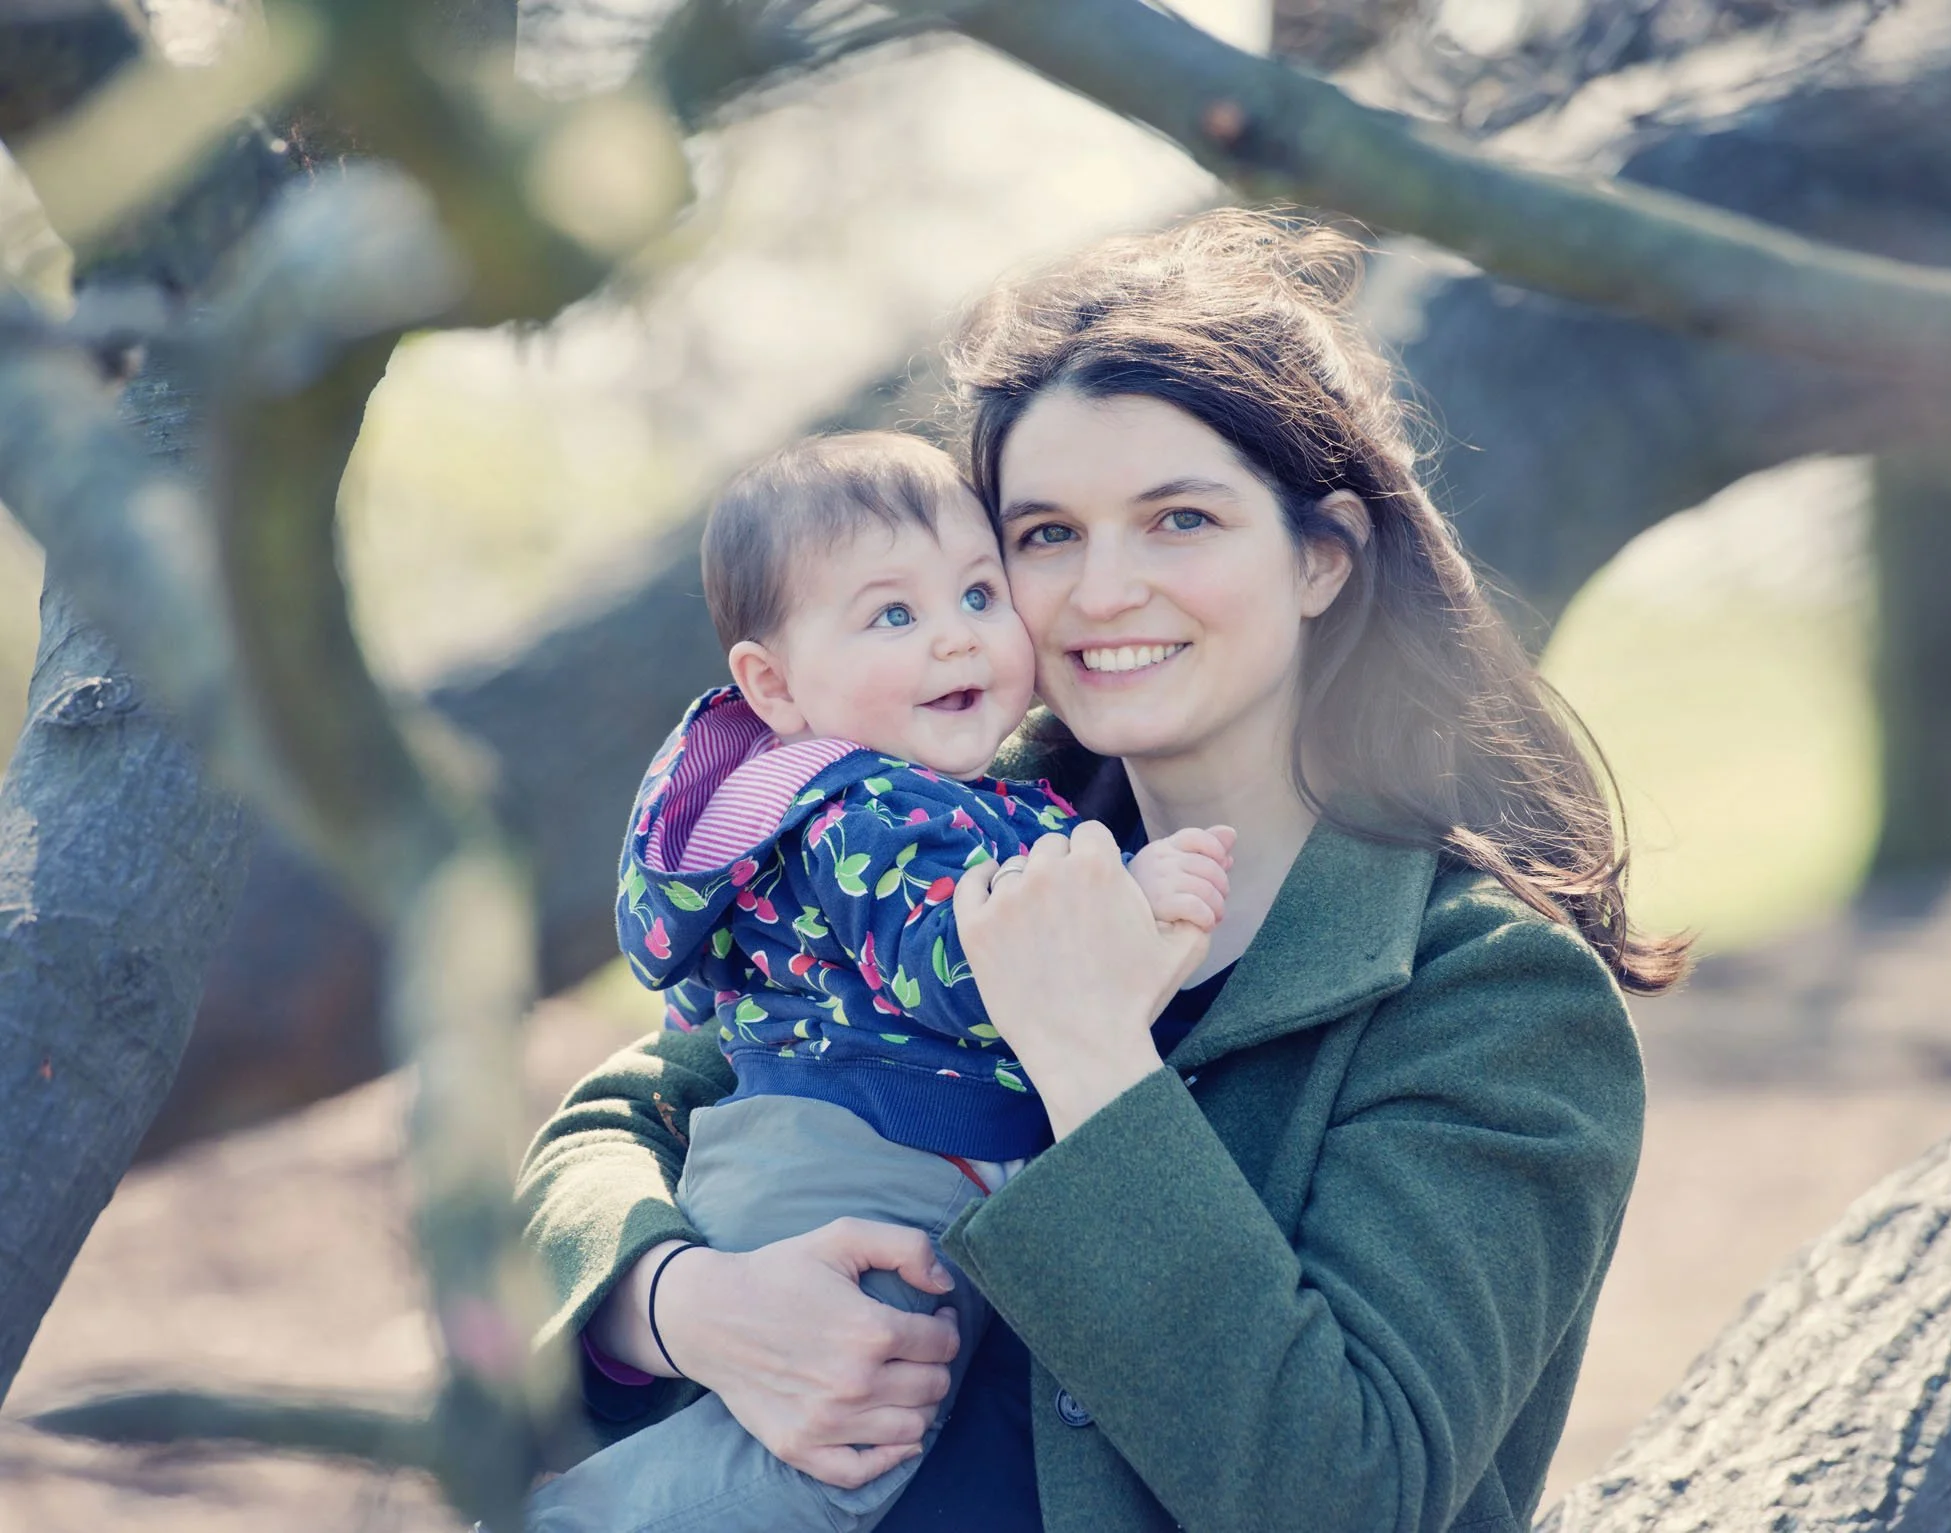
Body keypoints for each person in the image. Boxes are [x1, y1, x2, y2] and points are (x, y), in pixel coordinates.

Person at [519, 209, 1686, 1533]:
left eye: (1176, 519)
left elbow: (1343, 1493)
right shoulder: (936, 839)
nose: (1100, 589)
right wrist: (683, 1306)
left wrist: (1091, 1058)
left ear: (1321, 555)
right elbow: (618, 1122)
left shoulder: (1491, 1003)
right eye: (1044, 535)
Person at [526, 431, 1233, 1533]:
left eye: (978, 594)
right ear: (774, 686)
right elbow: (964, 965)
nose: (954, 638)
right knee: (842, 1454)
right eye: (893, 616)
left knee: (829, 1435)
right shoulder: (866, 813)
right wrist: (1129, 893)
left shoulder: (962, 796)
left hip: (884, 1154)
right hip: (853, 1162)